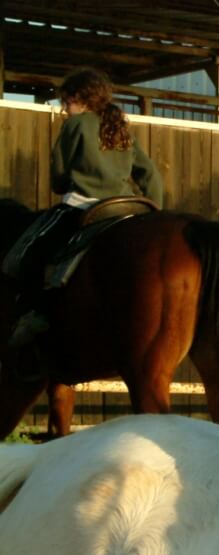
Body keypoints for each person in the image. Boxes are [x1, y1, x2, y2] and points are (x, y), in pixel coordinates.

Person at [7, 66, 164, 347]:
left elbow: (58, 178)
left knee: (31, 249)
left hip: (84, 207)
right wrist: (155, 212)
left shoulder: (75, 125)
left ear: (81, 99)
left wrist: (67, 180)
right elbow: (150, 175)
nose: (65, 109)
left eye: (66, 102)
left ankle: (36, 314)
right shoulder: (119, 127)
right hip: (126, 208)